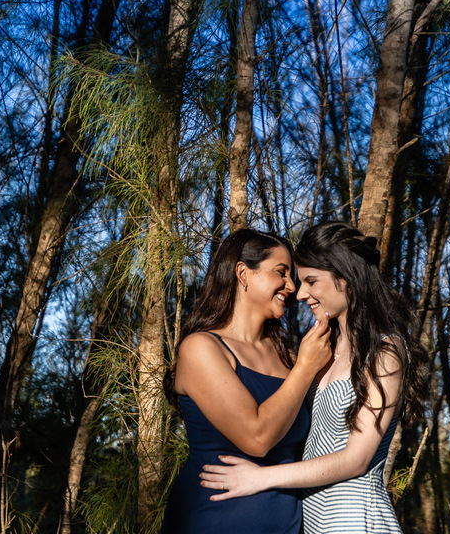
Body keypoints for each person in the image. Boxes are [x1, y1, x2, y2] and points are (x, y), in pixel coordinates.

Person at [198, 221, 427, 534]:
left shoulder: (385, 350)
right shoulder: (321, 350)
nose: (300, 292)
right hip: (314, 522)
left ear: (345, 278)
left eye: (311, 281)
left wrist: (260, 478)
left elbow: (355, 460)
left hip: (354, 519)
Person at [160, 228, 334, 534]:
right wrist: (305, 369)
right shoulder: (202, 348)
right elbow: (256, 438)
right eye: (281, 272)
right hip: (212, 521)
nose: (291, 286)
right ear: (243, 273)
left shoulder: (289, 357)